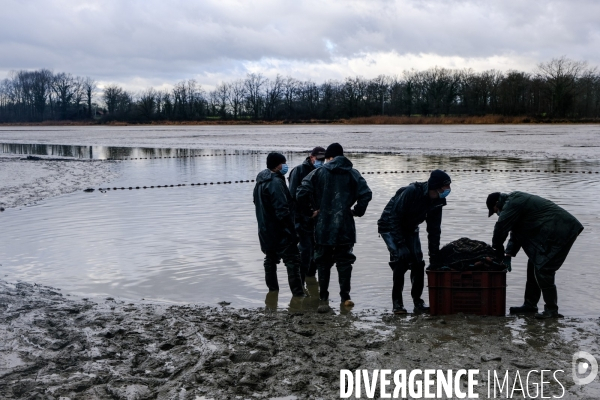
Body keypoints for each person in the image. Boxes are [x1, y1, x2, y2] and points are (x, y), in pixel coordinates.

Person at [296, 143, 372, 307]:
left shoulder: (317, 173)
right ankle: (345, 297)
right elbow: (366, 193)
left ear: (329, 157)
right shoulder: (353, 173)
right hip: (346, 225)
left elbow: (301, 193)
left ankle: (323, 297)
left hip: (323, 225)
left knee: (323, 262)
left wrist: (310, 212)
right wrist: (357, 211)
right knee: (345, 262)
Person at [487, 191, 583, 319]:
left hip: (562, 230)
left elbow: (501, 227)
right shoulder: (513, 203)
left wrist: (497, 250)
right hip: (549, 233)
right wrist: (508, 254)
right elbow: (515, 232)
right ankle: (530, 305)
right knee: (533, 264)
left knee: (543, 268)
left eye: (495, 211)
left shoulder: (512, 203)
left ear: (497, 203)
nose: (497, 214)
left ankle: (551, 310)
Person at [377, 170, 451, 314]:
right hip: (389, 225)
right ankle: (397, 303)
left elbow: (434, 230)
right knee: (401, 260)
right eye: (445, 187)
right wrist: (400, 244)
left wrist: (434, 257)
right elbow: (394, 217)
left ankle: (418, 302)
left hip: (411, 227)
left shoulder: (438, 201)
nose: (447, 190)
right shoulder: (411, 191)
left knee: (418, 263)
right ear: (435, 187)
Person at [253, 152, 305, 297]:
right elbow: (282, 210)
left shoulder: (259, 182)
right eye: (284, 163)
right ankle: (298, 294)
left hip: (264, 230)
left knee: (270, 260)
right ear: (277, 165)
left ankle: (272, 293)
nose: (285, 166)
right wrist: (291, 231)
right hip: (280, 231)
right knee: (292, 261)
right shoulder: (275, 182)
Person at [288, 146, 326, 284]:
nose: (322, 162)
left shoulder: (322, 171)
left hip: (317, 218)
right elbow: (293, 196)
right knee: (305, 250)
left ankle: (311, 278)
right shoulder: (298, 171)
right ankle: (300, 282)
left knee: (317, 250)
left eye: (324, 160)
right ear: (311, 157)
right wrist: (307, 213)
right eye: (319, 159)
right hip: (301, 218)